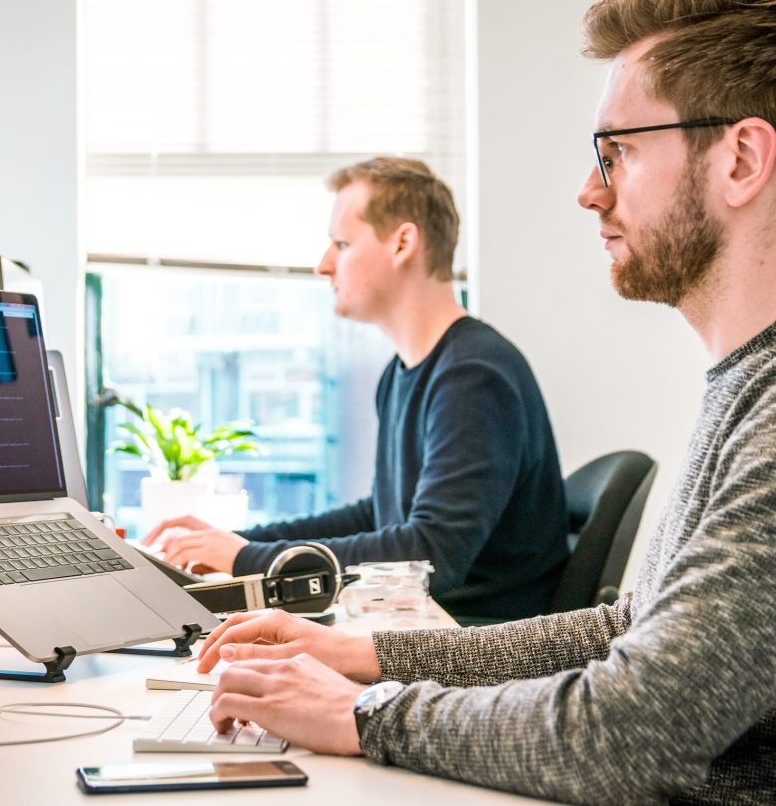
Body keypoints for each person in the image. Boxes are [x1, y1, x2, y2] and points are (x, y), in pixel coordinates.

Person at [193, 0, 776, 806]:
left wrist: (368, 712)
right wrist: (362, 656)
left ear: (740, 159)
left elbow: (632, 730)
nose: (589, 190)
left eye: (617, 152)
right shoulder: (749, 382)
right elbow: (624, 629)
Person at [146, 157, 569, 622]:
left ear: (403, 243)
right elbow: (380, 516)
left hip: (472, 644)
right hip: (423, 625)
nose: (323, 265)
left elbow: (430, 555)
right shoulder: (405, 372)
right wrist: (242, 543)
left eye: (342, 244)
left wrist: (247, 560)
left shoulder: (474, 376)